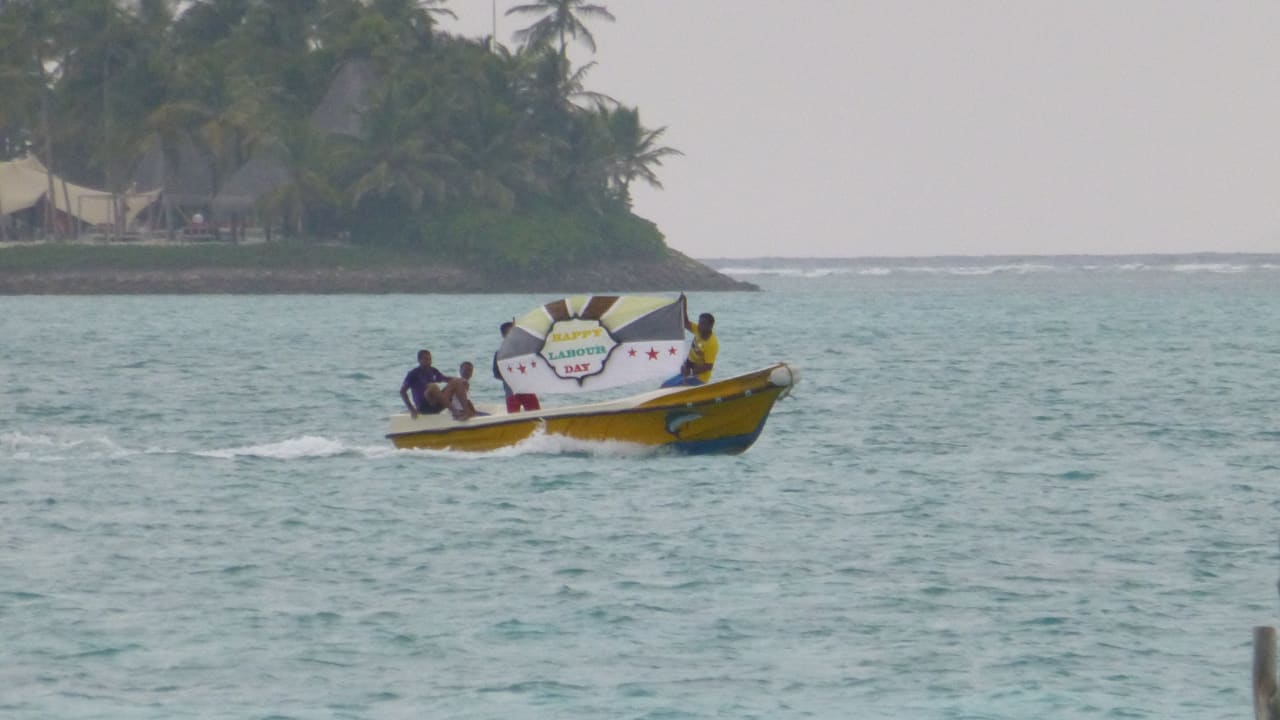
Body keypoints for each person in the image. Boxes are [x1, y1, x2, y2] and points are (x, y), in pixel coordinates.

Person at [662, 293, 718, 387]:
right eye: (699, 323)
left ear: (710, 326)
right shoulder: (698, 330)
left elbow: (709, 366)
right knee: (664, 385)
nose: (700, 326)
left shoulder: (712, 344)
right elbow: (686, 322)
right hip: (688, 371)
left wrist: (691, 371)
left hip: (699, 378)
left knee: (671, 388)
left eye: (703, 324)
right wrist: (684, 304)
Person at [494, 321, 542, 413]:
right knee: (513, 416)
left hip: (527, 390)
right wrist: (510, 378)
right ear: (504, 335)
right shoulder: (499, 354)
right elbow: (496, 373)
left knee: (536, 414)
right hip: (512, 392)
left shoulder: (524, 350)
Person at [400, 349, 449, 418]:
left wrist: (460, 380)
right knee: (433, 386)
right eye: (426, 359)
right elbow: (402, 391)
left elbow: (445, 379)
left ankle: (463, 410)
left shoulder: (433, 370)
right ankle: (453, 410)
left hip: (435, 403)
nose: (429, 362)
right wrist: (411, 409)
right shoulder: (413, 373)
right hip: (423, 406)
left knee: (456, 383)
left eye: (430, 359)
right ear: (419, 360)